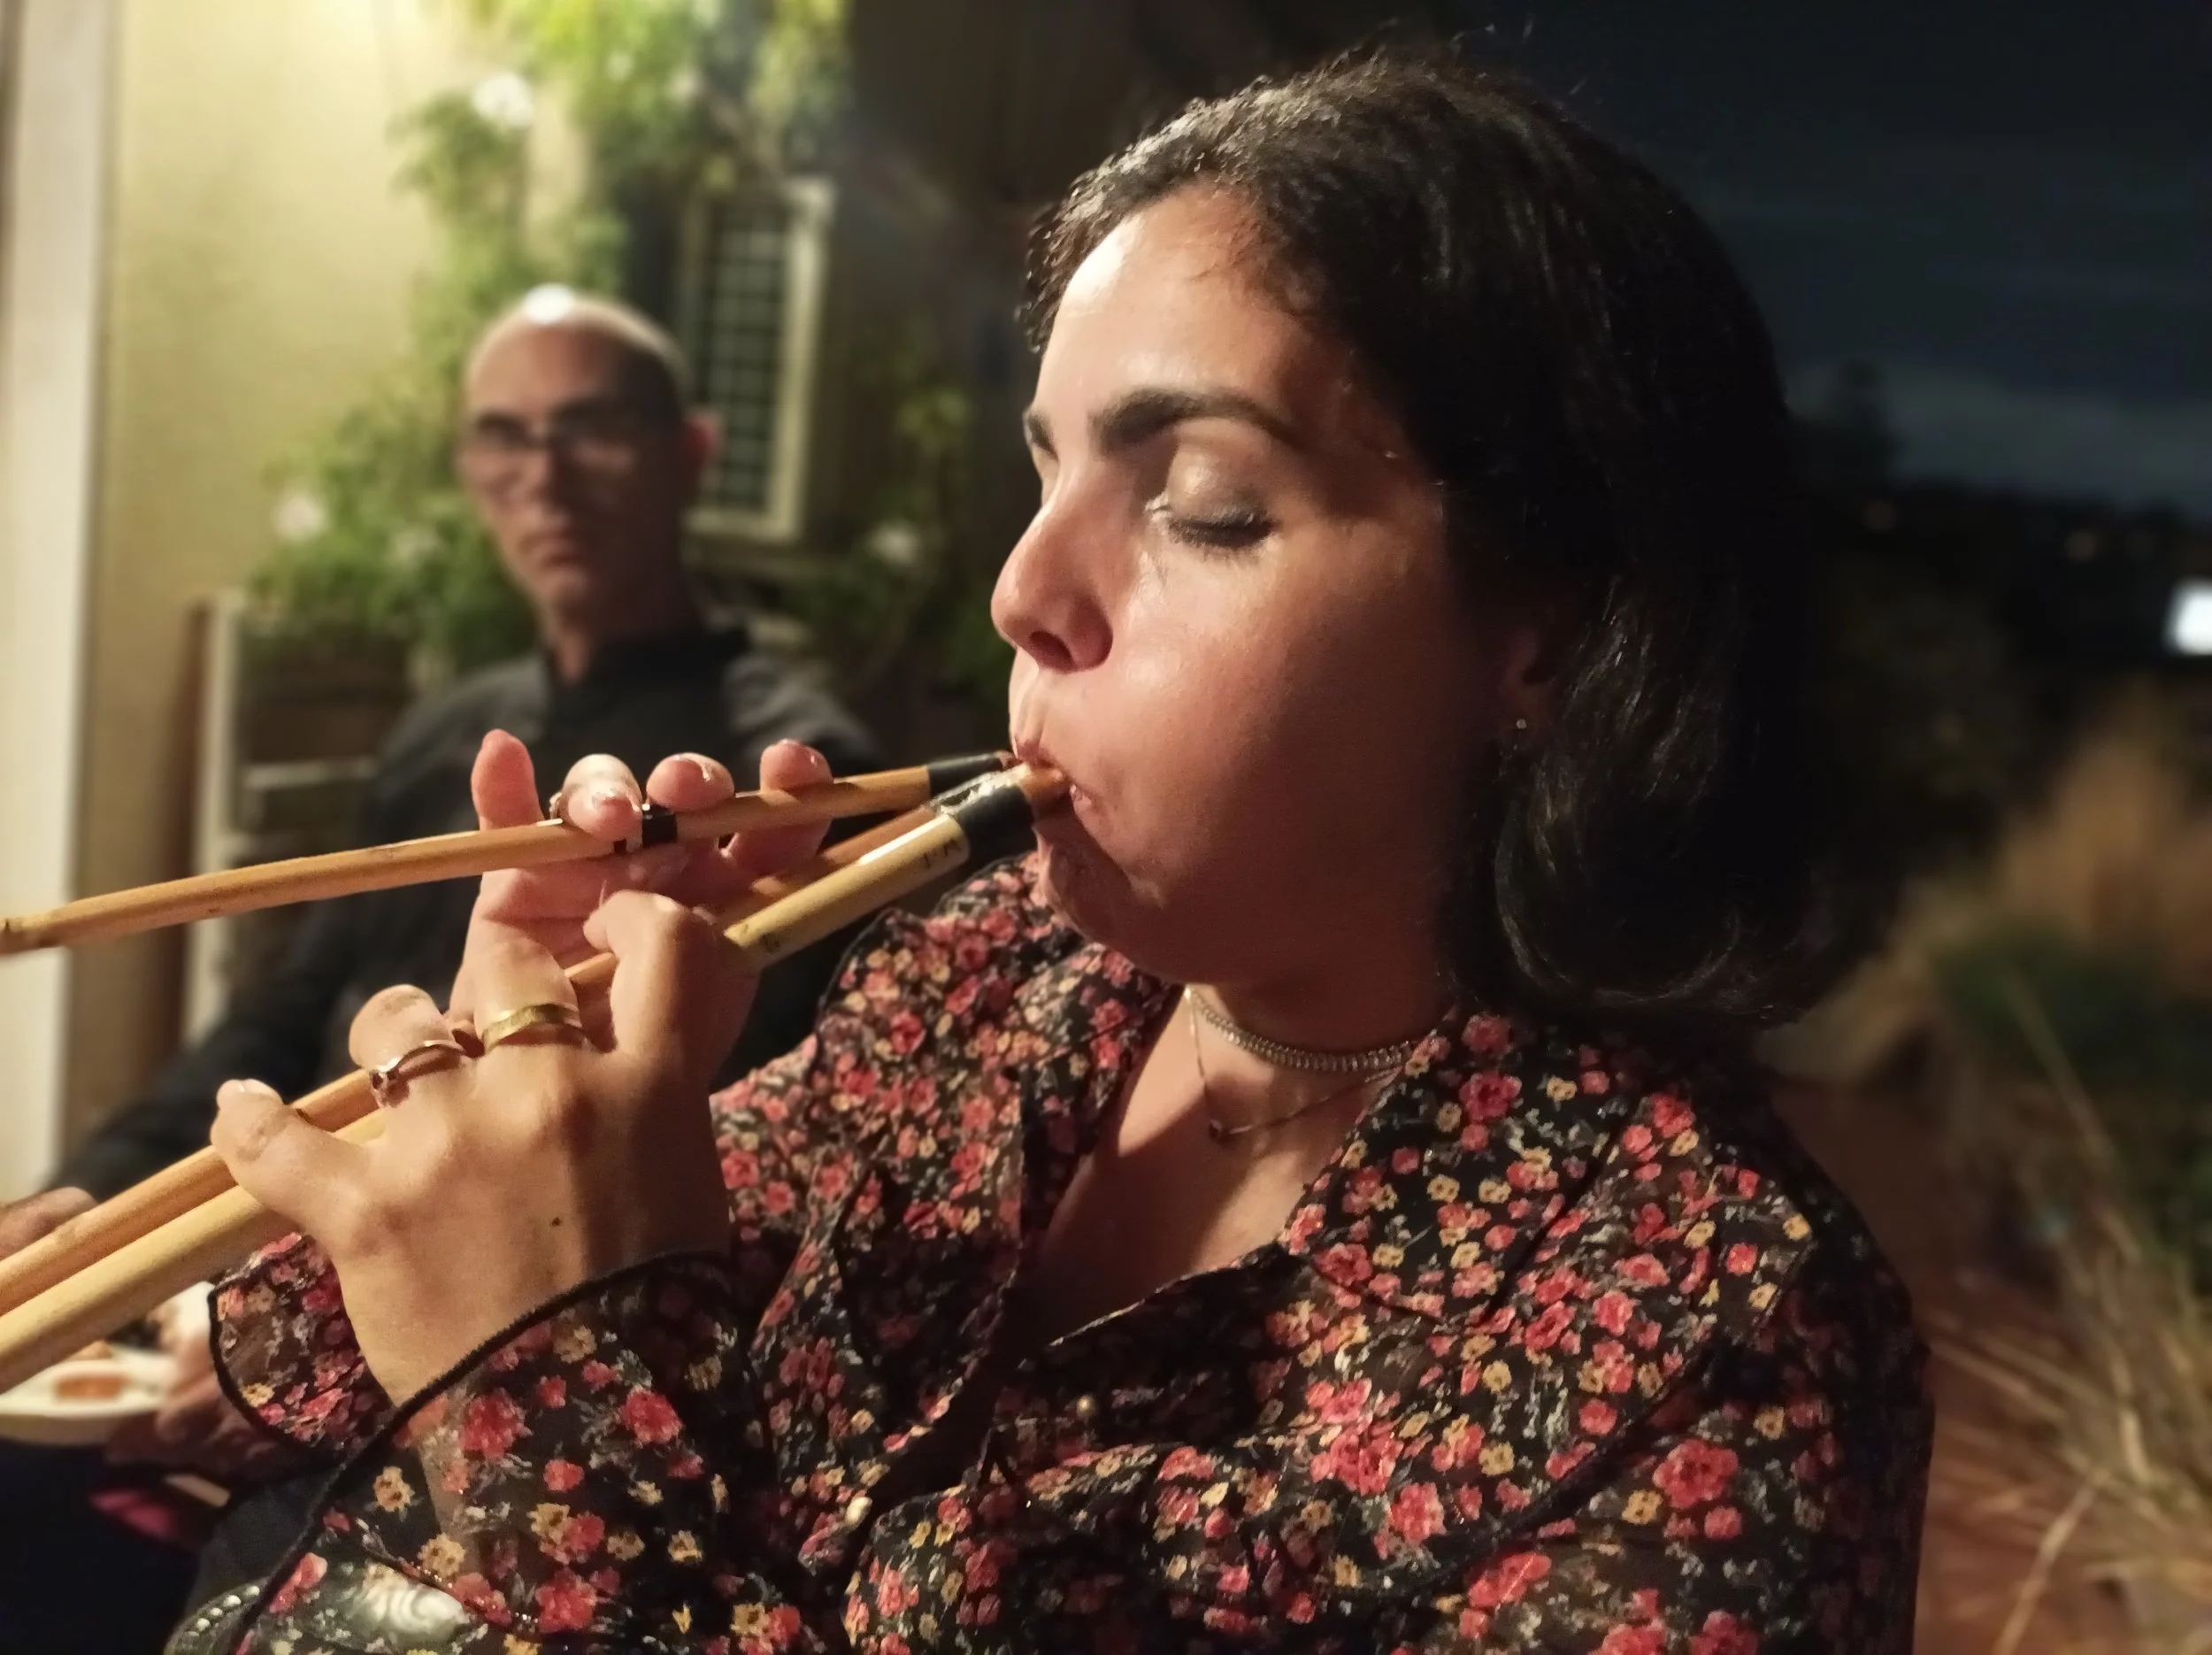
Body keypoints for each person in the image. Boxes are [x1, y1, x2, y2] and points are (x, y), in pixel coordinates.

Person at [44, 49, 1931, 1650]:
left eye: (1197, 506)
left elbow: (546, 1434)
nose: (1026, 591)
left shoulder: (1712, 1324)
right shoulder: (977, 998)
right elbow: (313, 1371)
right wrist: (526, 1079)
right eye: (1042, 473)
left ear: (1543, 623)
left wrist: (556, 1372)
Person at [0, 289, 877, 1652]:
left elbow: (710, 1153)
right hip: (244, 1301)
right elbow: (281, 1013)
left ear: (689, 452)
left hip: (475, 1379)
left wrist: (307, 1335)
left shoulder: (772, 779)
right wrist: (76, 1241)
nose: (545, 474)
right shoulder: (447, 736)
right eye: (506, 438)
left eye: (591, 428)